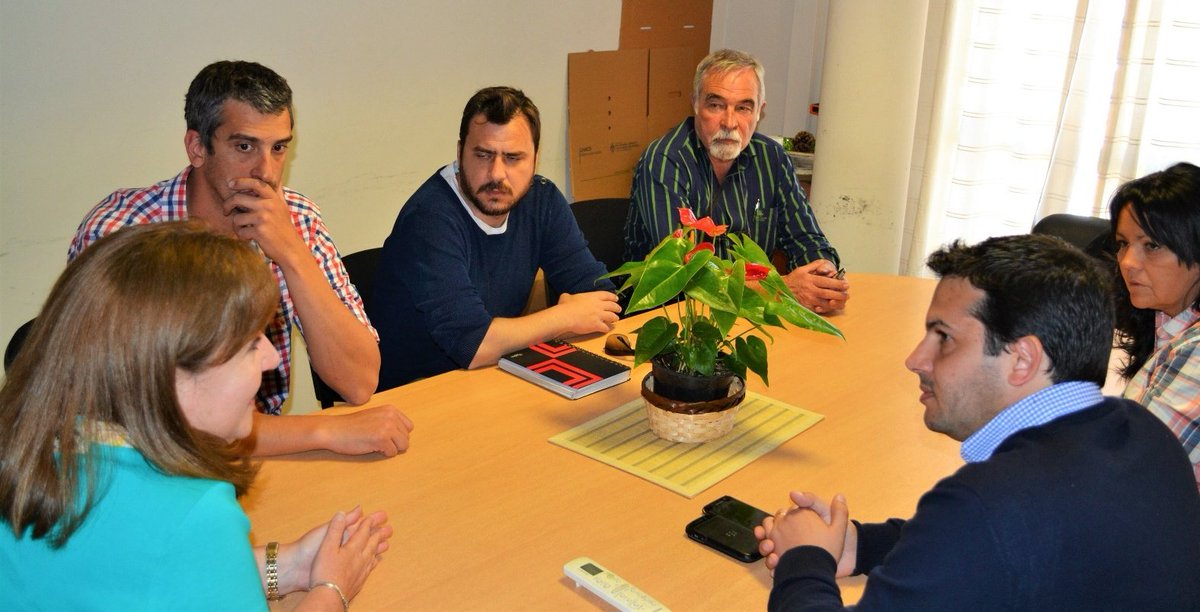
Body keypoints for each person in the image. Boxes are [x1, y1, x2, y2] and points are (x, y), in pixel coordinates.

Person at [754, 235, 1200, 610]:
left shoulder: (985, 506)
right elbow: (994, 548)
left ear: (1022, 359)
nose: (915, 360)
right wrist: (859, 544)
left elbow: (981, 530)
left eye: (943, 338)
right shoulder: (1144, 435)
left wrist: (805, 558)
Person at [0, 222, 393, 610]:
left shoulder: (39, 449)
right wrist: (331, 588)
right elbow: (178, 548)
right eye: (249, 344)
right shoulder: (194, 513)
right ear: (170, 373)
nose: (272, 358)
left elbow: (138, 574)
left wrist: (286, 564)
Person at [69, 60, 413, 457]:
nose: (265, 172)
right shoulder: (121, 231)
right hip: (145, 468)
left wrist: (291, 253)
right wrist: (322, 431)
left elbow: (358, 380)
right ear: (197, 147)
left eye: (279, 148)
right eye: (244, 146)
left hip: (262, 459)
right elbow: (150, 425)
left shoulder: (296, 218)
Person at [371, 86, 621, 390]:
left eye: (513, 158)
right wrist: (565, 317)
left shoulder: (541, 199)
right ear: (460, 151)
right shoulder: (429, 219)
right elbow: (473, 345)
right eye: (483, 155)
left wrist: (571, 315)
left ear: (535, 159)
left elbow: (601, 298)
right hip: (416, 394)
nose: (497, 174)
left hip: (495, 377)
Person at [622, 49, 848, 314]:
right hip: (673, 320)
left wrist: (822, 275)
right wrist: (782, 288)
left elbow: (806, 238)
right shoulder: (663, 162)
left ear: (759, 112)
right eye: (716, 105)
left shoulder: (772, 158)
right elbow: (686, 274)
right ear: (695, 104)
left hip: (750, 316)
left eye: (743, 107)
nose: (729, 122)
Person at [1110, 161, 1200, 490]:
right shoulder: (1169, 322)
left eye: (1152, 246)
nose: (1128, 263)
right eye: (1123, 244)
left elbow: (1127, 473)